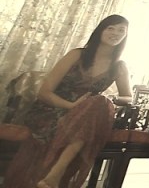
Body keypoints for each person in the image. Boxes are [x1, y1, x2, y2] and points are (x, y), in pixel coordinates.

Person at [5, 15, 132, 188]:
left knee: (99, 104)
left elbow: (128, 97)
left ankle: (55, 173)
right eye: (111, 28)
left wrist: (113, 98)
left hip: (88, 112)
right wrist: (71, 106)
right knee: (90, 115)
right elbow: (44, 92)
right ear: (100, 31)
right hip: (52, 108)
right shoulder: (77, 54)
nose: (116, 33)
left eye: (121, 30)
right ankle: (55, 176)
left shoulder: (119, 66)